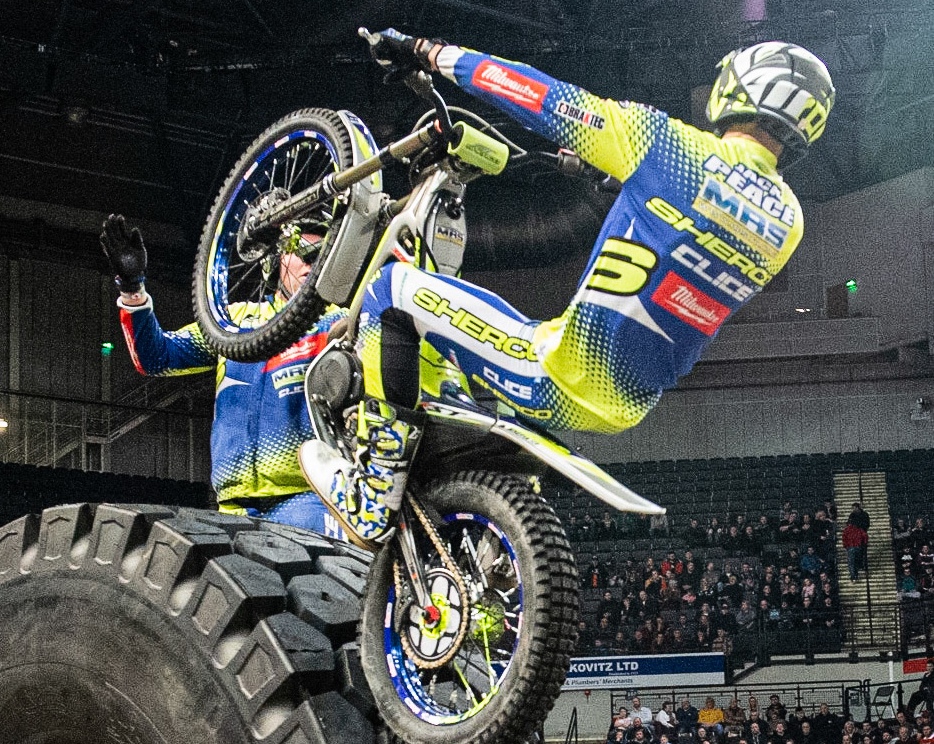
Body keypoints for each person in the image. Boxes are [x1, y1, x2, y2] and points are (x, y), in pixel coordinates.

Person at [300, 30, 834, 543]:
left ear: (738, 87)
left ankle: (372, 490)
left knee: (391, 288)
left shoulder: (668, 146)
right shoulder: (788, 222)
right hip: (630, 404)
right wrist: (623, 177)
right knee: (469, 345)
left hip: (560, 370)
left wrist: (429, 52)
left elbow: (538, 95)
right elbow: (694, 228)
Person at [99, 215, 341, 531]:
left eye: (321, 253)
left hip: (311, 502)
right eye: (301, 250)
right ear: (273, 262)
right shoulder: (232, 322)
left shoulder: (337, 324)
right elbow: (156, 357)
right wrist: (132, 288)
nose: (312, 260)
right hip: (232, 508)